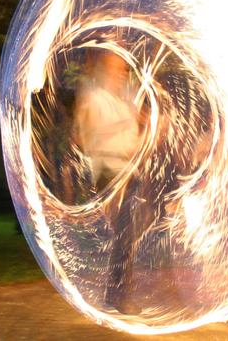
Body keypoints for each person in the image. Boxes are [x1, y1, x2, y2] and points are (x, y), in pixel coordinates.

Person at [71, 49, 152, 314]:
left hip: (128, 170)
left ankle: (113, 293)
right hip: (108, 169)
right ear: (104, 70)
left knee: (128, 234)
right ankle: (118, 295)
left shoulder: (122, 103)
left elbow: (134, 141)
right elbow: (84, 137)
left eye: (124, 70)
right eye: (117, 68)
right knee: (125, 233)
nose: (122, 74)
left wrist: (147, 128)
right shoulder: (93, 98)